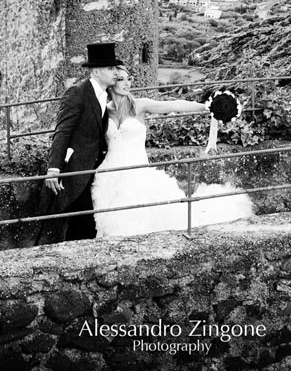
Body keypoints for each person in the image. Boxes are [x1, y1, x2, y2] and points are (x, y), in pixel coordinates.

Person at [91, 65, 253, 237]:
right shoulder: (103, 111)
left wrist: (206, 107)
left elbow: (173, 104)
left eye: (129, 79)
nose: (127, 83)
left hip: (137, 171)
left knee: (142, 217)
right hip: (109, 173)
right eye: (121, 79)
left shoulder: (139, 106)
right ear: (112, 83)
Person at [42, 42, 122, 241]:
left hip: (95, 168)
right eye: (110, 68)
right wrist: (53, 168)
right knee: (83, 223)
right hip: (76, 169)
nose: (116, 73)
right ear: (95, 71)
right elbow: (62, 131)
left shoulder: (106, 94)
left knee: (85, 223)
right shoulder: (77, 92)